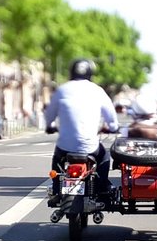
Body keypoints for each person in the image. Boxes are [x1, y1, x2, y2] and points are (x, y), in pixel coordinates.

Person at [44, 59, 119, 205]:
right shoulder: (97, 90)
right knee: (104, 158)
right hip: (90, 146)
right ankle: (102, 189)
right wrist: (113, 127)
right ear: (90, 73)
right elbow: (111, 117)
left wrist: (50, 125)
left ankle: (55, 188)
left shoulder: (62, 90)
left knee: (57, 160)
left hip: (65, 146)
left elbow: (49, 114)